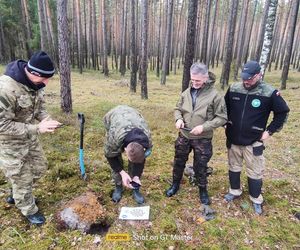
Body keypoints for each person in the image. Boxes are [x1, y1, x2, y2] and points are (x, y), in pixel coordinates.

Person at [0, 51, 62, 225]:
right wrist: (37, 128)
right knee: (22, 177)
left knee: (40, 168)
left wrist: (45, 119)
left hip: (30, 137)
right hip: (10, 142)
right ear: (34, 73)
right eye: (45, 78)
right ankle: (28, 209)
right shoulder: (5, 89)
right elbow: (1, 125)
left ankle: (17, 190)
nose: (47, 83)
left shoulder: (36, 85)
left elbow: (39, 107)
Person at [224, 60, 290, 215]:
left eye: (250, 78)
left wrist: (269, 132)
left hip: (253, 142)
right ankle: (234, 191)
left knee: (255, 171)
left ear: (259, 75)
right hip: (233, 139)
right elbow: (223, 107)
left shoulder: (269, 92)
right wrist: (225, 122)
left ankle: (255, 199)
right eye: (244, 77)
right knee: (233, 167)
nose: (246, 81)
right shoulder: (234, 88)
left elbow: (282, 113)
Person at [165, 62, 227, 205]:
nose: (194, 83)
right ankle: (175, 184)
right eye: (192, 80)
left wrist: (204, 127)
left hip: (202, 139)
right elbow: (177, 108)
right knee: (179, 161)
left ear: (206, 77)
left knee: (201, 165)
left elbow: (222, 117)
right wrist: (178, 119)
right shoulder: (186, 92)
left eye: (198, 80)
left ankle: (202, 190)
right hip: (184, 136)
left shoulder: (215, 96)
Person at [103, 105, 152, 204]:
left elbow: (140, 160)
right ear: (125, 149)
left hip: (134, 116)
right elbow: (110, 156)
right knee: (115, 155)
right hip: (113, 117)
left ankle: (135, 188)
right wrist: (122, 172)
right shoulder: (114, 136)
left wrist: (136, 176)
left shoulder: (147, 141)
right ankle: (118, 187)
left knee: (136, 160)